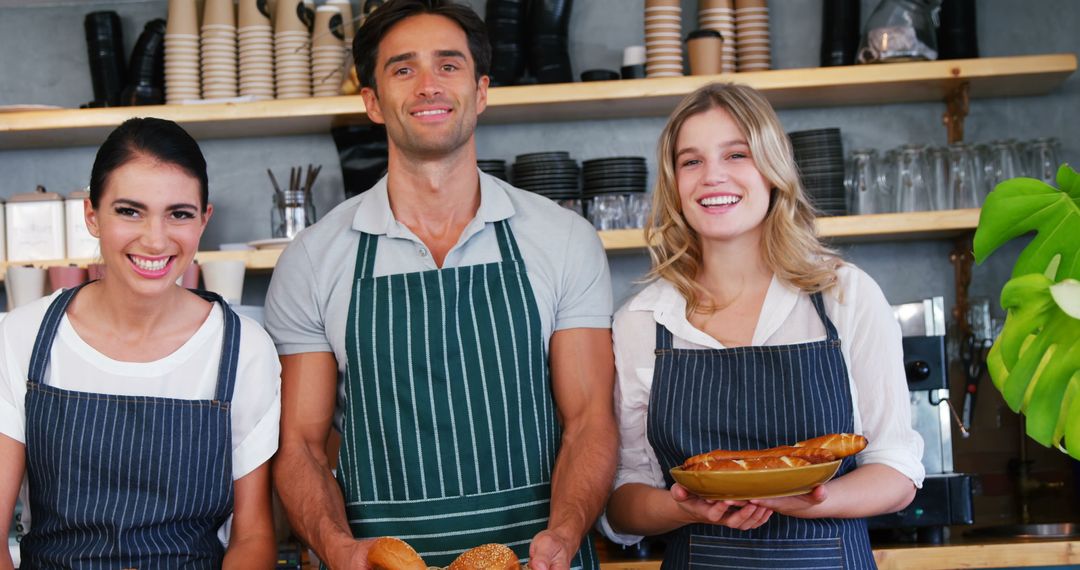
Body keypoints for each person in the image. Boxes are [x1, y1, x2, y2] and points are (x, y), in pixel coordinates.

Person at [264, 1, 616, 568]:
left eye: (448, 66)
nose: (428, 85)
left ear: (480, 92)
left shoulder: (563, 239)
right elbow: (301, 445)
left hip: (537, 560)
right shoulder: (313, 259)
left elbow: (589, 420)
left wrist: (568, 531)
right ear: (373, 103)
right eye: (403, 69)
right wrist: (336, 548)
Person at [600, 83, 925, 569]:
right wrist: (680, 507)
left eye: (737, 155)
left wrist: (811, 500)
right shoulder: (643, 321)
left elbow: (897, 471)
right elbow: (624, 498)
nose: (712, 176)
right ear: (674, 183)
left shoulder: (844, 295)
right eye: (691, 161)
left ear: (772, 170)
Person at [0, 118, 281, 569]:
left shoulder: (243, 348)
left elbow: (253, 537)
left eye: (179, 213)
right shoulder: (23, 337)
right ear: (92, 216)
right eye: (129, 211)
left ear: (204, 219)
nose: (155, 238)